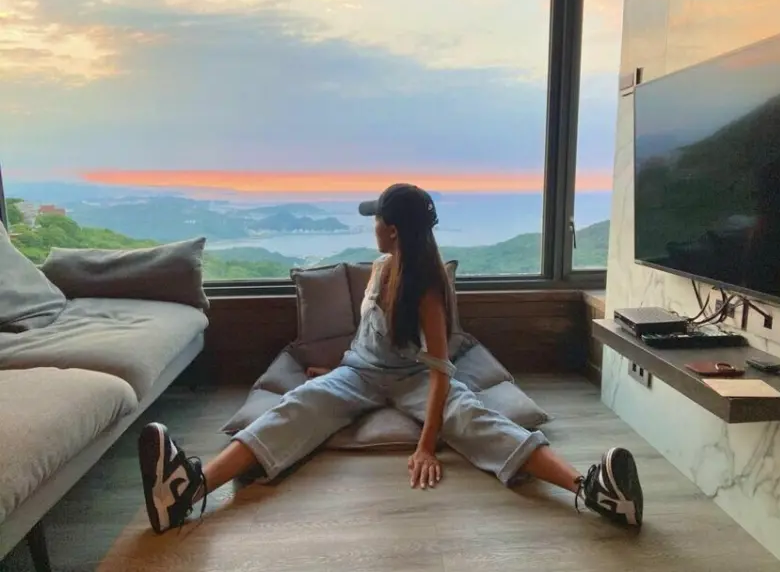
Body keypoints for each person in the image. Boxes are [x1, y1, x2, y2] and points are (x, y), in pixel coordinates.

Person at [137, 183, 644, 535]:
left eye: (377, 218)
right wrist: (333, 371)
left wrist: (425, 446)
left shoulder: (428, 289)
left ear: (394, 229)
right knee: (293, 408)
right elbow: (368, 338)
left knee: (479, 419)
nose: (373, 225)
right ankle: (189, 491)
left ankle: (591, 490)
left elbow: (441, 370)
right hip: (357, 375)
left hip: (417, 380)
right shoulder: (382, 267)